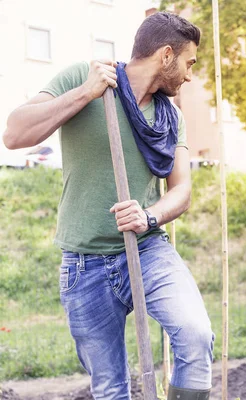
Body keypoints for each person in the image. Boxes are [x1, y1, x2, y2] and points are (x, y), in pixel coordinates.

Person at [3, 12, 213, 400]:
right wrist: (85, 93)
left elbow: (181, 190)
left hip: (148, 248)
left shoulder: (172, 118)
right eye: (189, 63)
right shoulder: (80, 79)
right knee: (110, 388)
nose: (189, 75)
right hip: (85, 264)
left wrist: (149, 215)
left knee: (196, 335)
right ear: (166, 55)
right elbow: (14, 134)